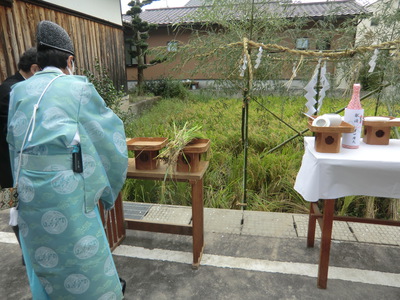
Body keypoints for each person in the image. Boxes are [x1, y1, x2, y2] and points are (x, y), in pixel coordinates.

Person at [7, 20, 128, 299]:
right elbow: (108, 135)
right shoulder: (77, 87)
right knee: (79, 254)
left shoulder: (19, 91)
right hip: (65, 190)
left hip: (27, 187)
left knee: (42, 252)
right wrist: (104, 182)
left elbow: (14, 142)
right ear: (69, 60)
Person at [0, 47, 39, 251]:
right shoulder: (12, 90)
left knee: (16, 208)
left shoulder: (13, 85)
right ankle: (26, 252)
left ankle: (27, 250)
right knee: (14, 208)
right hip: (8, 166)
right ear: (34, 69)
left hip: (10, 164)